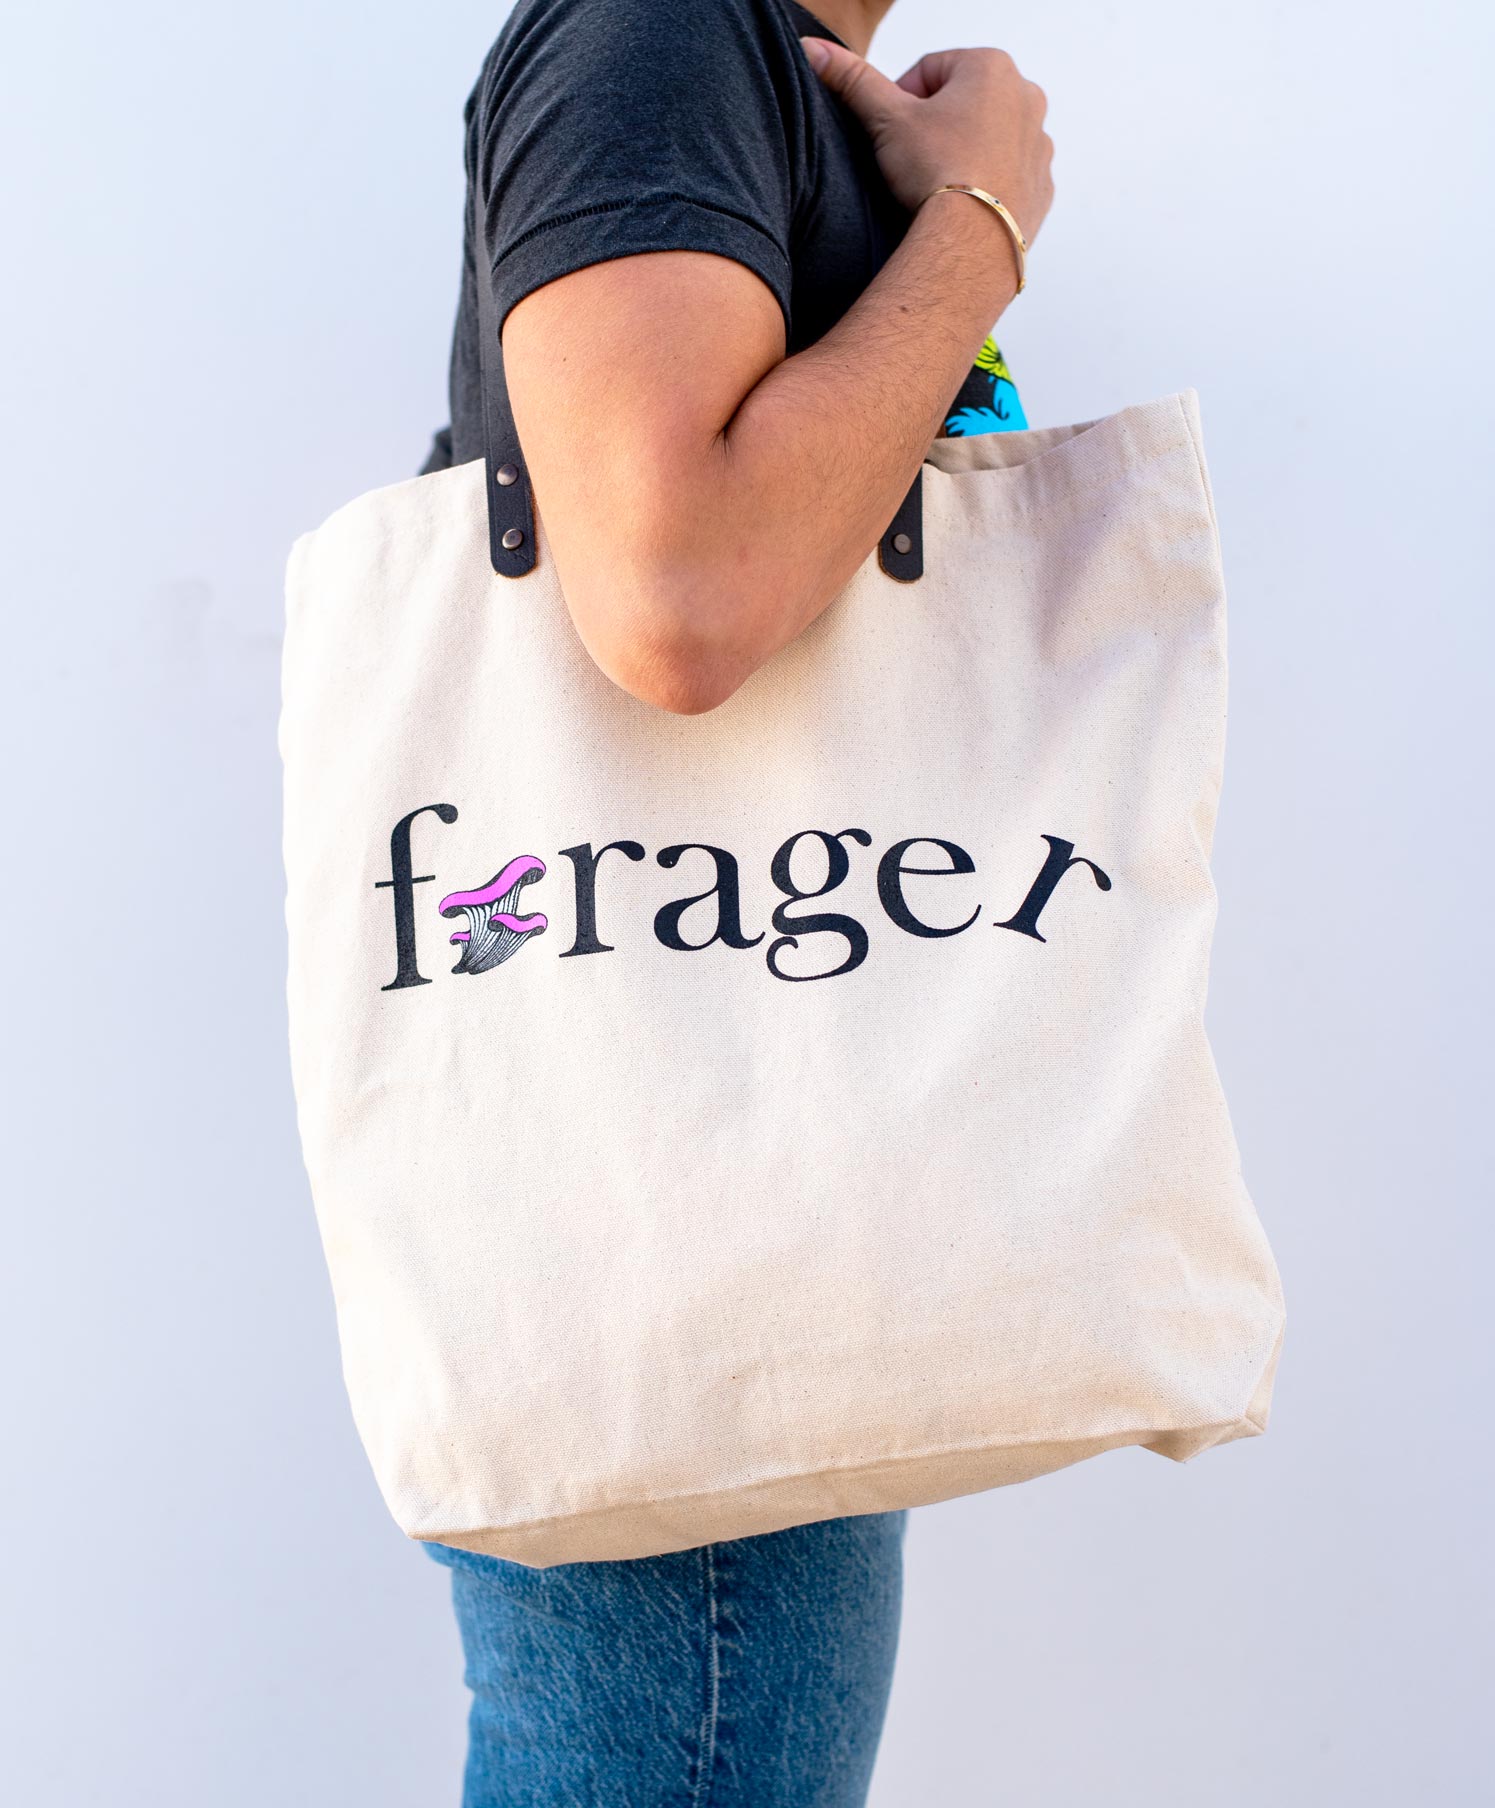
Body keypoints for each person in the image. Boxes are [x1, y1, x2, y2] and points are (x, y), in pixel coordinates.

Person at [420, 0, 1052, 1799]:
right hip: (677, 1145)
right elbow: (679, 592)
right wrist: (983, 228)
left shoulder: (736, 62)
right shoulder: (659, 32)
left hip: (761, 1120)